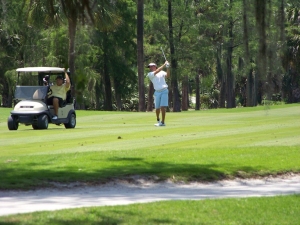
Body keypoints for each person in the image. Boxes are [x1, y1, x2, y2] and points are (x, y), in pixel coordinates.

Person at [147, 61, 170, 126]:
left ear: (155, 66)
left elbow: (168, 75)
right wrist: (164, 64)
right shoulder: (150, 74)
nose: (150, 68)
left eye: (152, 66)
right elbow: (157, 71)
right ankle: (158, 119)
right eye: (150, 67)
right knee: (157, 108)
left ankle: (162, 122)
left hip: (164, 90)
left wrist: (167, 68)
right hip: (157, 92)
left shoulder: (162, 72)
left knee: (162, 107)